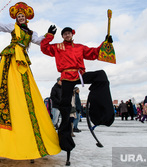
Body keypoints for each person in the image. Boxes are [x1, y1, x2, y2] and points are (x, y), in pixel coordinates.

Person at [0, 2, 61, 161]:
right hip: (13, 56)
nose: (21, 18)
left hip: (22, 57)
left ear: (26, 18)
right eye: (19, 16)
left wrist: (49, 35)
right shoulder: (12, 27)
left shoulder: (31, 32)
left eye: (22, 16)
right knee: (8, 83)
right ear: (16, 18)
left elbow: (38, 41)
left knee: (26, 87)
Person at [40, 26, 115, 165]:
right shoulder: (58, 46)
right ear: (62, 36)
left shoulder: (79, 47)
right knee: (65, 107)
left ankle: (100, 112)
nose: (67, 35)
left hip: (80, 75)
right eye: (64, 34)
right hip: (67, 77)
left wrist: (106, 43)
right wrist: (50, 35)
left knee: (101, 76)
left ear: (72, 34)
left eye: (68, 33)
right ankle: (65, 140)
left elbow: (94, 53)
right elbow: (44, 48)